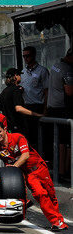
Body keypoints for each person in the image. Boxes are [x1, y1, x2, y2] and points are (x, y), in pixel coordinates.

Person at [46, 48, 73, 179]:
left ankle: (60, 169)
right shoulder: (67, 69)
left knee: (59, 140)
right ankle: (64, 170)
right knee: (65, 141)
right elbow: (69, 91)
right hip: (61, 109)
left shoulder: (56, 66)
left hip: (52, 107)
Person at [0, 68, 42, 135]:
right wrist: (36, 114)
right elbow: (18, 108)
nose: (20, 77)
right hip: (17, 128)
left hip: (7, 128)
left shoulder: (4, 91)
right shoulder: (16, 90)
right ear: (16, 76)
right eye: (19, 75)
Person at [20, 46, 49, 149]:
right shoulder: (23, 72)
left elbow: (47, 91)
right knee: (28, 137)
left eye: (27, 56)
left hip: (38, 106)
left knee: (39, 136)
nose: (25, 59)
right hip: (26, 106)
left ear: (33, 56)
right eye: (24, 56)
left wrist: (45, 110)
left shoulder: (42, 71)